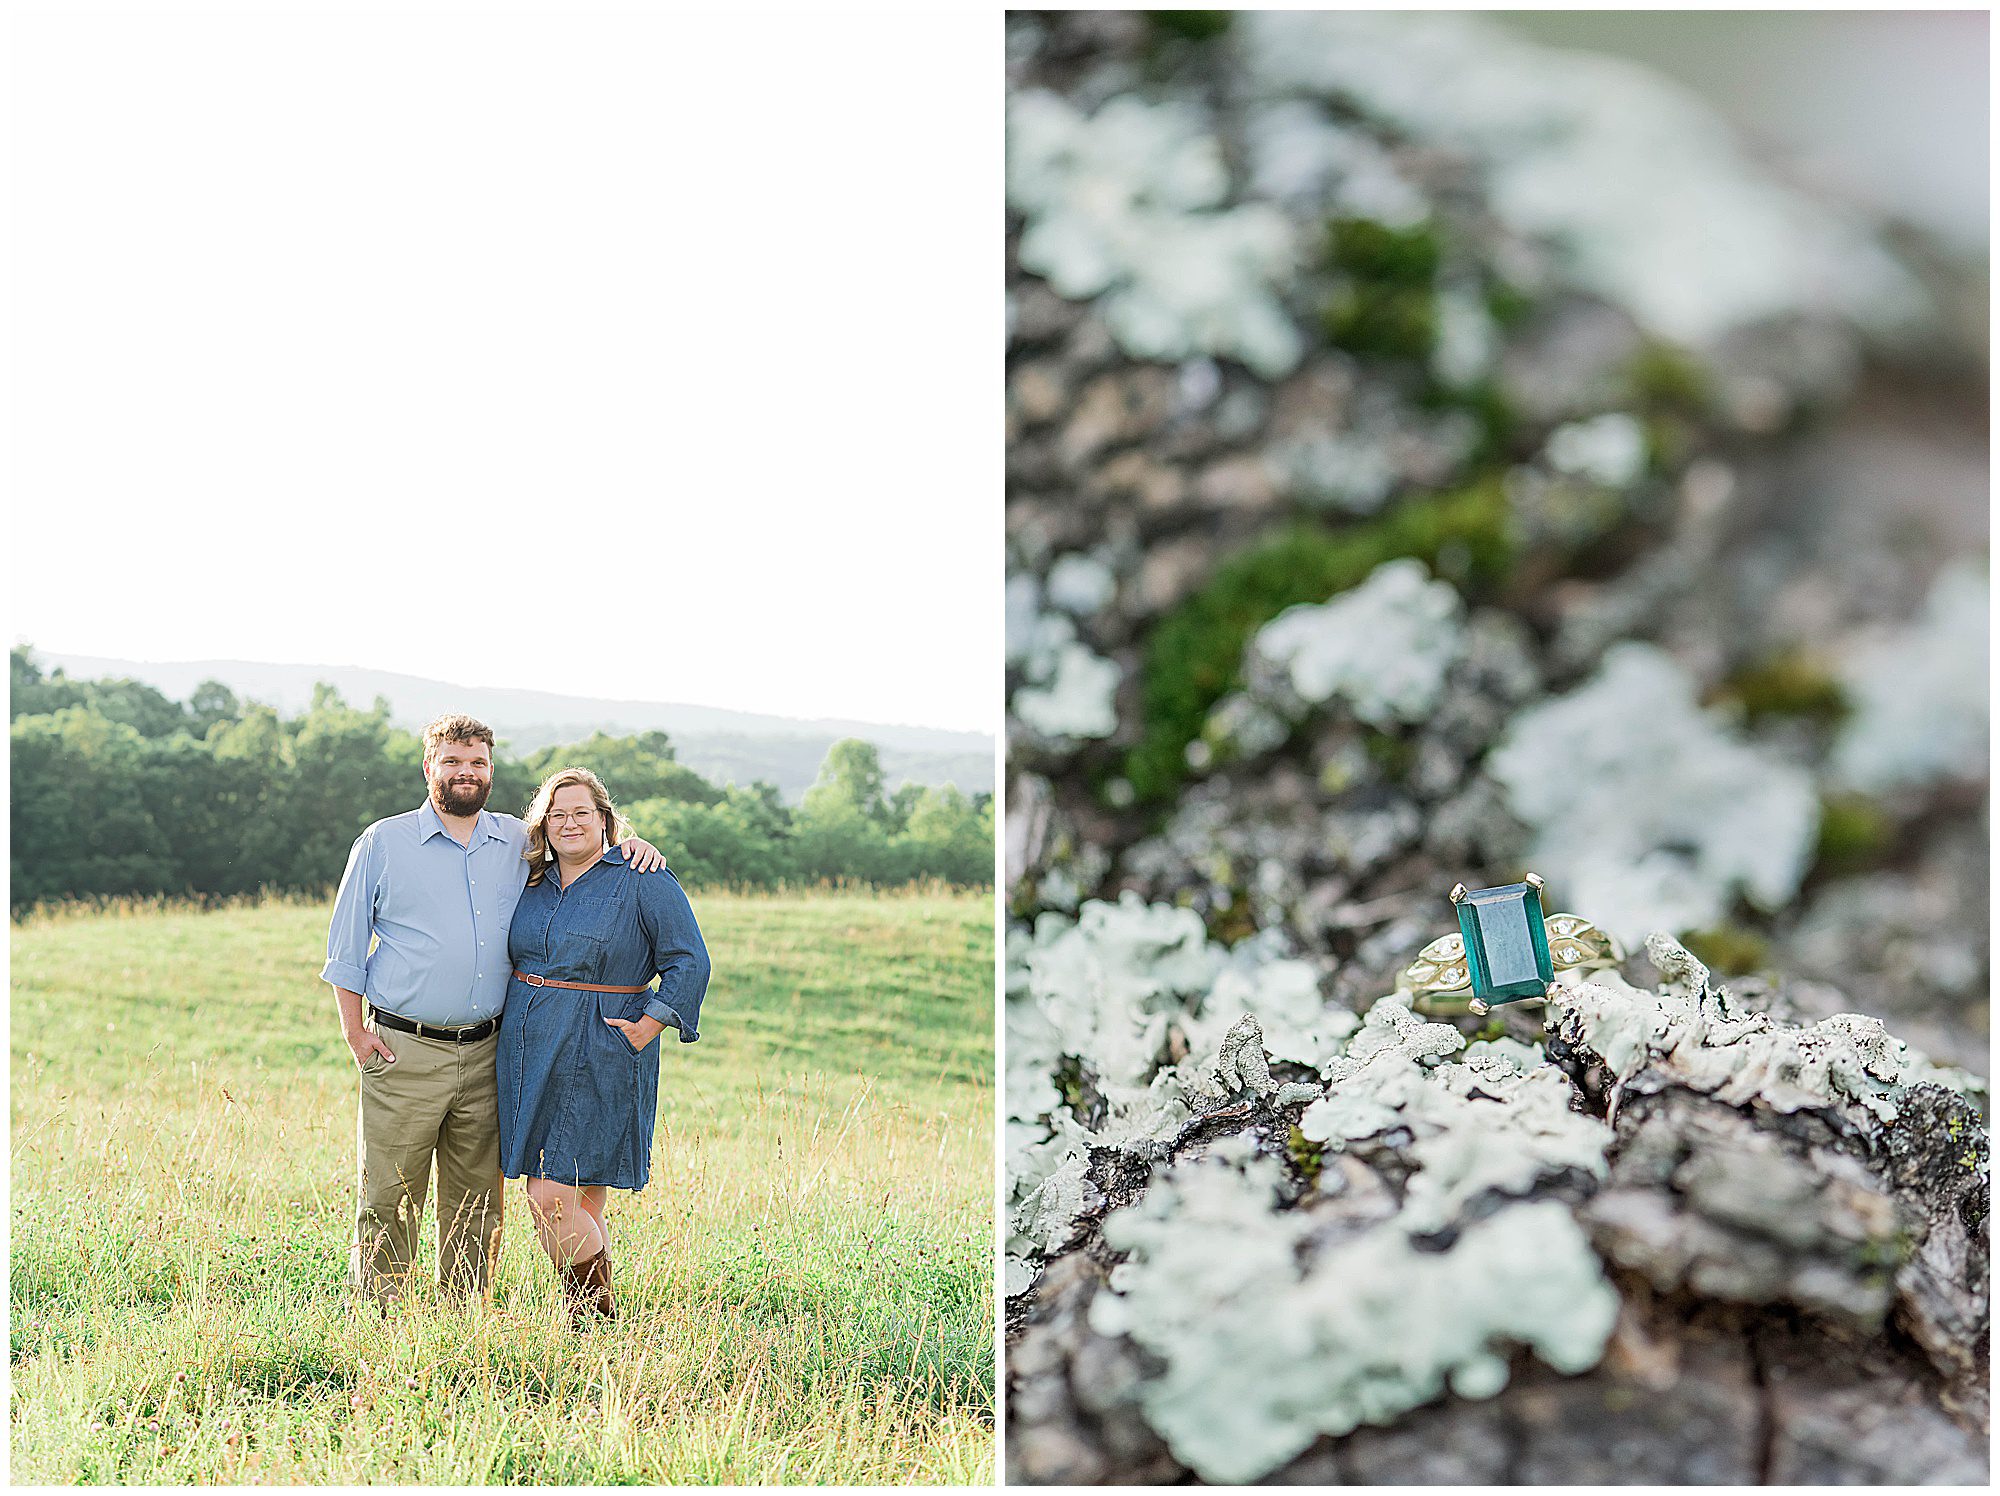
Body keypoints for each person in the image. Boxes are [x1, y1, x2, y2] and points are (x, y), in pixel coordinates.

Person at [323, 714, 667, 1308]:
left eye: (477, 762)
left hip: (491, 1052)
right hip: (405, 1047)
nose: (465, 773)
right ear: (429, 766)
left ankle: (465, 1316)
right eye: (452, 762)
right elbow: (346, 950)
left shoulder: (514, 841)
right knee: (389, 1192)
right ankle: (379, 1319)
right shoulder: (383, 843)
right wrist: (356, 1034)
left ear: (490, 770)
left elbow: (581, 845)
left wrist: (628, 843)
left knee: (478, 1200)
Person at [498, 765, 709, 1324]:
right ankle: (587, 1328)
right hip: (530, 1045)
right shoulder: (531, 882)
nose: (569, 824)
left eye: (581, 813)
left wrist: (653, 1022)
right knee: (581, 1193)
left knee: (549, 1195)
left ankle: (594, 1314)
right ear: (541, 826)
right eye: (556, 815)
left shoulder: (643, 878)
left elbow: (689, 960)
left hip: (604, 1046)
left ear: (605, 820)